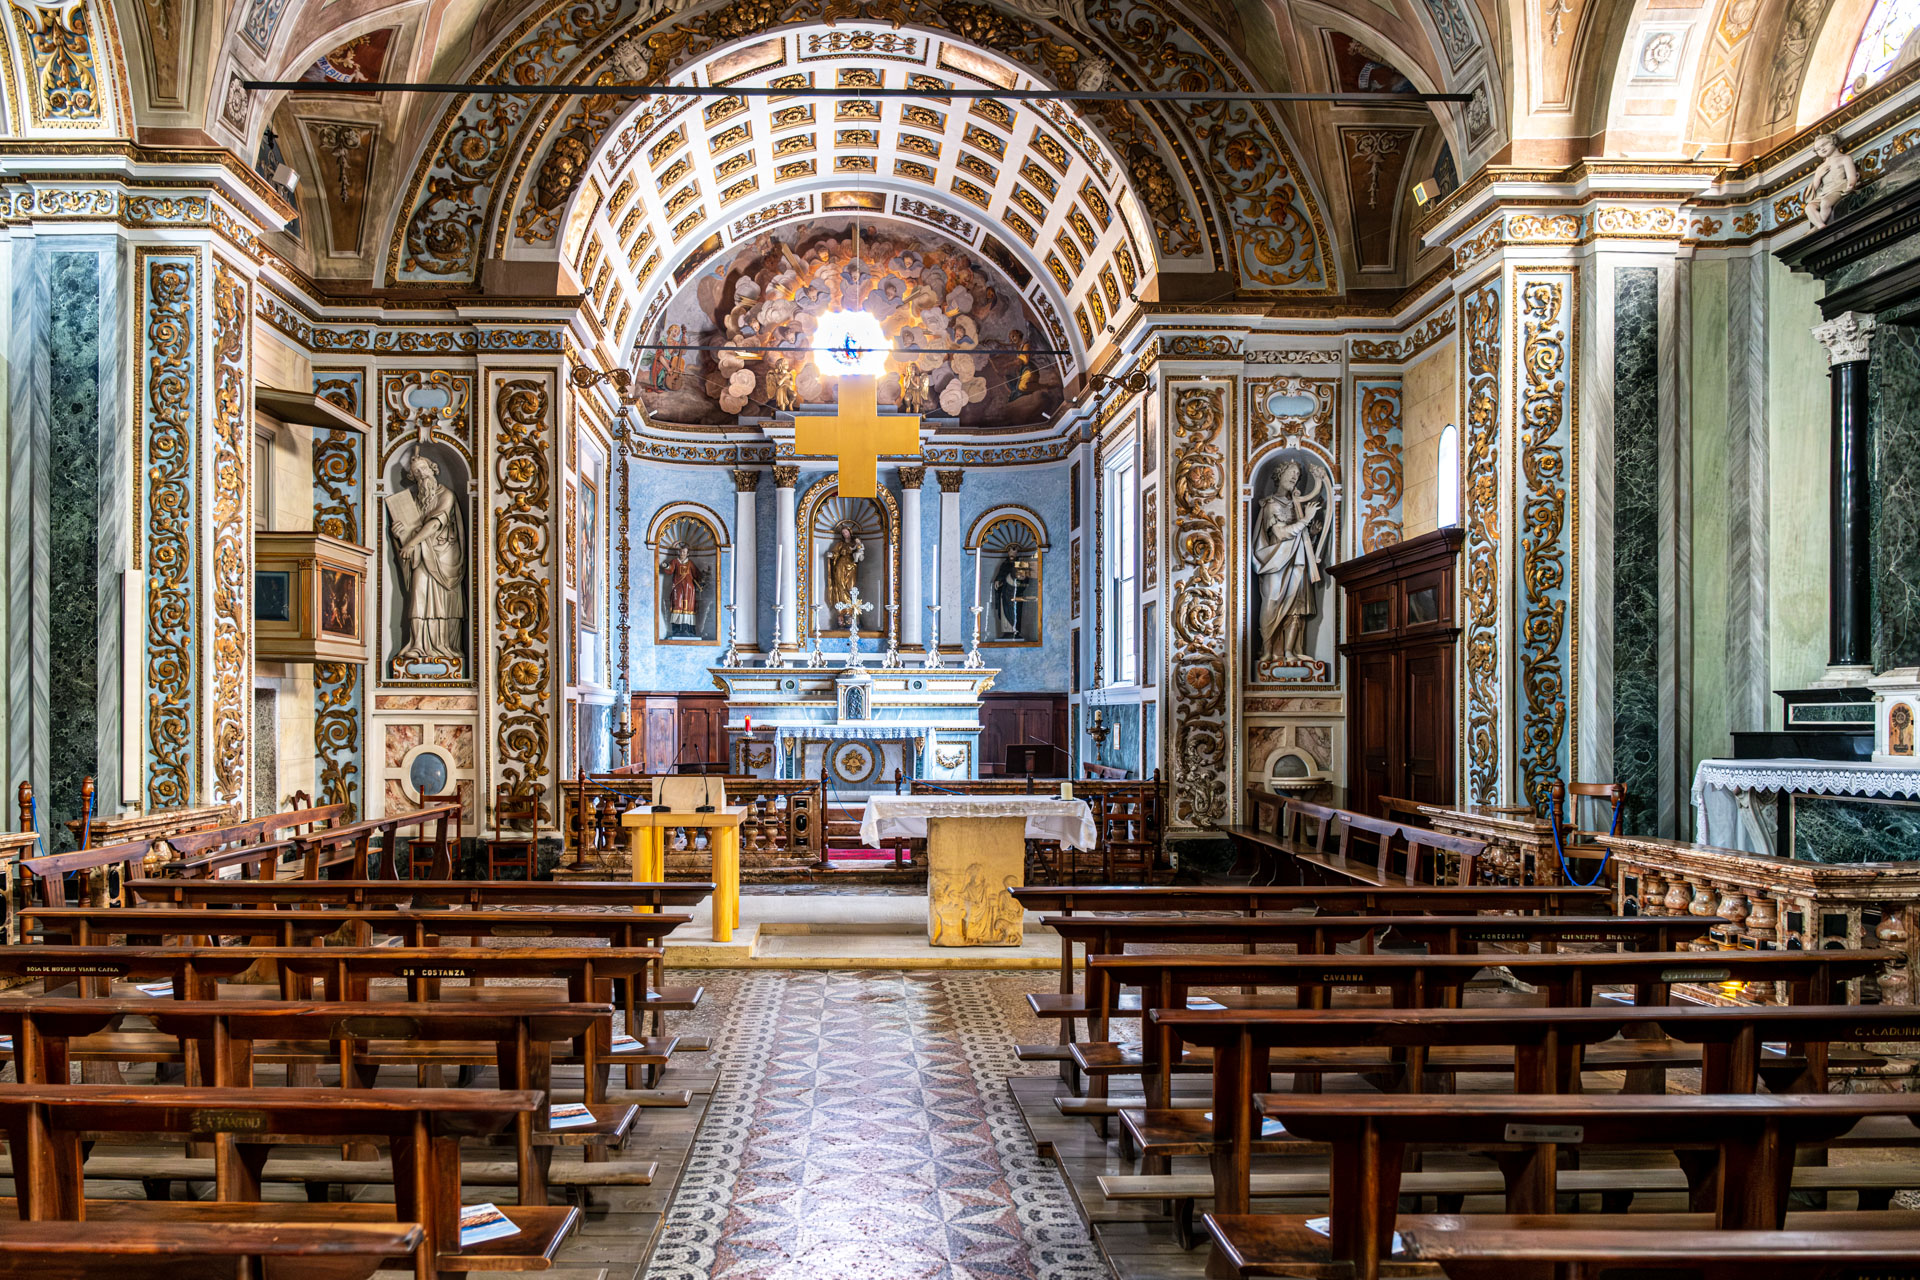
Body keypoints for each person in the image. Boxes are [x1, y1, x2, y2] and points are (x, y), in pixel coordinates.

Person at [390, 452, 466, 674]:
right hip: (421, 555)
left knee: (443, 603)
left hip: (444, 557)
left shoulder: (447, 495)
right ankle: (418, 646)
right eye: (416, 473)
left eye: (424, 470)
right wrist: (399, 534)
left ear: (433, 469)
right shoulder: (415, 500)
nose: (422, 475)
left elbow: (434, 524)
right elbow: (409, 529)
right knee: (418, 595)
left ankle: (444, 648)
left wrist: (410, 543)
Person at [1251, 461, 1323, 667]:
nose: (1294, 477)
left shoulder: (1296, 504)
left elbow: (1299, 536)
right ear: (1279, 475)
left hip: (1297, 561)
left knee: (1295, 607)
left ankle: (1289, 651)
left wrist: (1312, 535)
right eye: (1291, 472)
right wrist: (1306, 520)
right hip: (1275, 560)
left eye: (1298, 474)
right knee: (1272, 601)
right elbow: (1282, 533)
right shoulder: (1271, 504)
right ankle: (1267, 649)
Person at [825, 521, 864, 624]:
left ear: (850, 532)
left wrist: (858, 546)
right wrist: (831, 556)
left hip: (851, 566)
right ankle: (843, 611)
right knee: (840, 586)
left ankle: (852, 609)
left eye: (846, 532)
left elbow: (860, 552)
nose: (845, 534)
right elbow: (835, 553)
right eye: (843, 533)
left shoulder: (855, 542)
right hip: (841, 565)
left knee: (851, 587)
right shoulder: (840, 544)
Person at [661, 544, 703, 638]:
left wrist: (702, 579)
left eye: (684, 552)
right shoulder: (675, 561)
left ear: (688, 553)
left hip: (689, 590)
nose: (682, 553)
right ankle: (677, 629)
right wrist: (666, 566)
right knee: (678, 606)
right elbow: (670, 569)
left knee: (688, 608)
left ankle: (688, 629)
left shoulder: (690, 563)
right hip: (678, 588)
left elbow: (697, 574)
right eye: (681, 551)